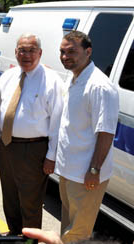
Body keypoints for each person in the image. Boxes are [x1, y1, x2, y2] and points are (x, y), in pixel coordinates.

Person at [0, 33, 63, 235]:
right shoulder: (8, 76)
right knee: (10, 196)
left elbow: (57, 122)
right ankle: (14, 234)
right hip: (7, 146)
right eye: (22, 50)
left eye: (31, 50)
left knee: (30, 201)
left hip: (34, 149)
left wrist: (51, 156)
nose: (26, 55)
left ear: (40, 53)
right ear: (15, 52)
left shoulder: (51, 81)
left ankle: (30, 240)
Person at [55, 31, 119, 243]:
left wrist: (94, 170)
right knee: (68, 227)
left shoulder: (99, 85)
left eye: (72, 51)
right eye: (62, 52)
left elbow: (106, 132)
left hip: (85, 175)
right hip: (68, 171)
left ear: (88, 51)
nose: (65, 56)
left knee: (78, 233)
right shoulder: (74, 79)